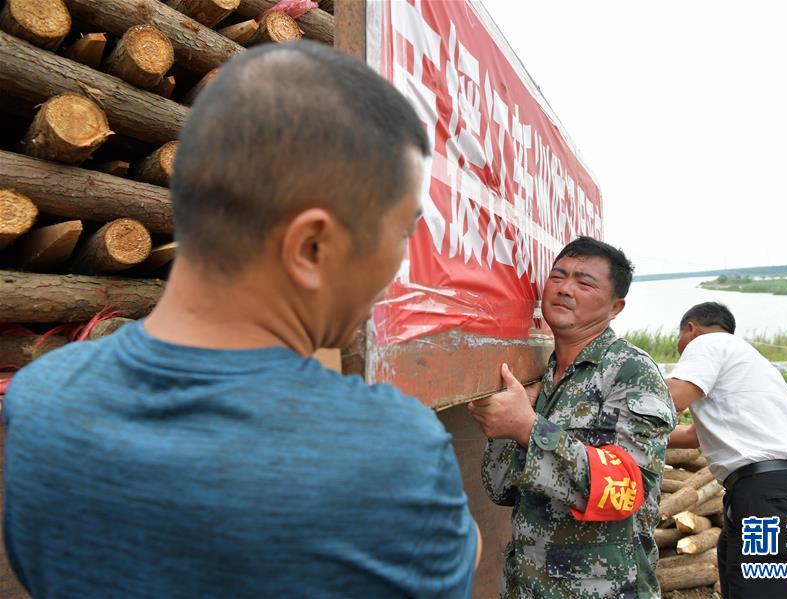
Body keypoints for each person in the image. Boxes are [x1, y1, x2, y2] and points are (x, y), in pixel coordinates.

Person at [3, 43, 479, 598]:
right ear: (313, 246)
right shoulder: (397, 455)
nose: (399, 265)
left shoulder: (41, 398)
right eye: (401, 233)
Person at [469, 237, 676, 598]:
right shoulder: (541, 378)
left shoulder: (630, 371)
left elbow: (629, 489)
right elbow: (500, 489)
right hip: (527, 585)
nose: (565, 289)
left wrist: (529, 428)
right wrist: (503, 428)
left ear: (616, 307)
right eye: (558, 276)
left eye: (584, 283)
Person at [666, 302, 787, 599]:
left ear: (691, 329)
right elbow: (693, 437)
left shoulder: (708, 342)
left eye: (679, 342)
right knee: (741, 576)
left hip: (771, 493)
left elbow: (673, 398)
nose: (680, 353)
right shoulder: (747, 362)